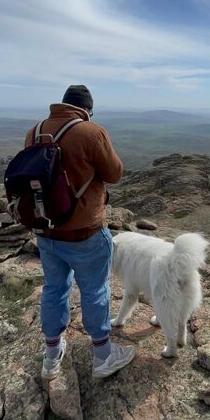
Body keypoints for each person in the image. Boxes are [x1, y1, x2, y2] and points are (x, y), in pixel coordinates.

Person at [25, 85, 135, 380]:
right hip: (85, 232)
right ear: (87, 108)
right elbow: (114, 173)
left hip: (46, 230)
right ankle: (102, 355)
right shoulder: (92, 131)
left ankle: (51, 355)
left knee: (54, 288)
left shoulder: (35, 131)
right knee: (95, 291)